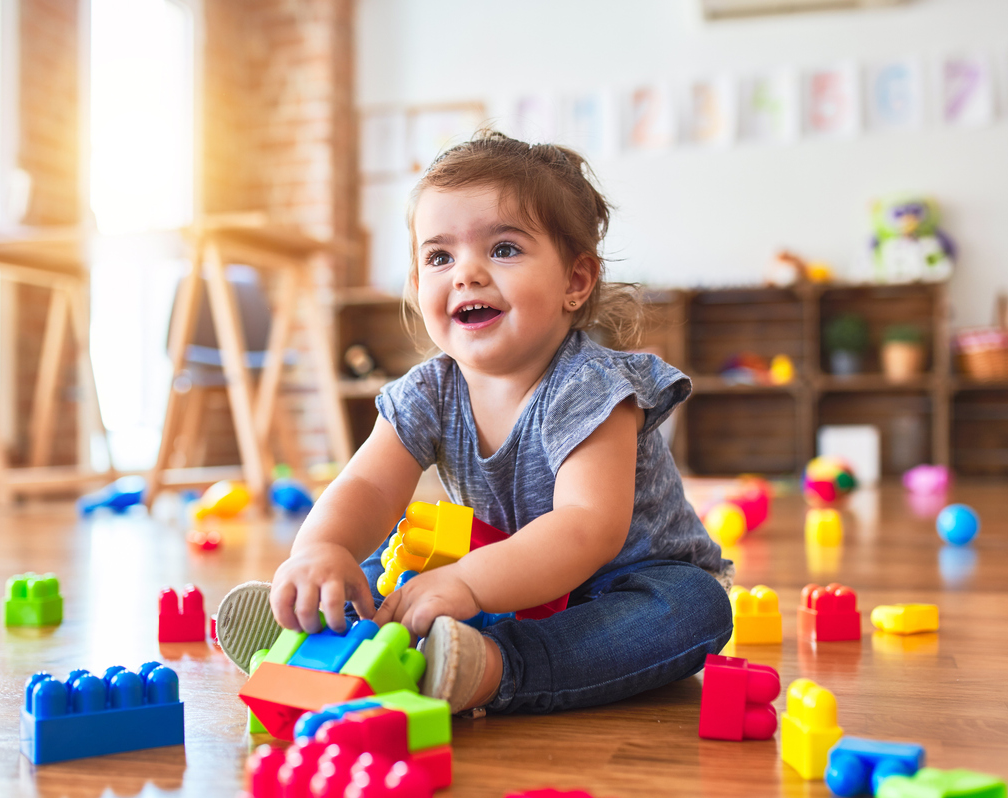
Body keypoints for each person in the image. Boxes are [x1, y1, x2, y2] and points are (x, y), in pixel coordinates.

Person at [216, 130, 734, 716]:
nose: (466, 273)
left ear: (575, 281)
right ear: (418, 286)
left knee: (695, 607)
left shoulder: (591, 387)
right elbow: (366, 487)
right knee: (389, 547)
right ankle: (317, 628)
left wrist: (468, 584)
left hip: (616, 585)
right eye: (439, 257)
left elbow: (587, 527)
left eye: (504, 249)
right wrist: (322, 549)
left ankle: (490, 667)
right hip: (500, 575)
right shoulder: (430, 391)